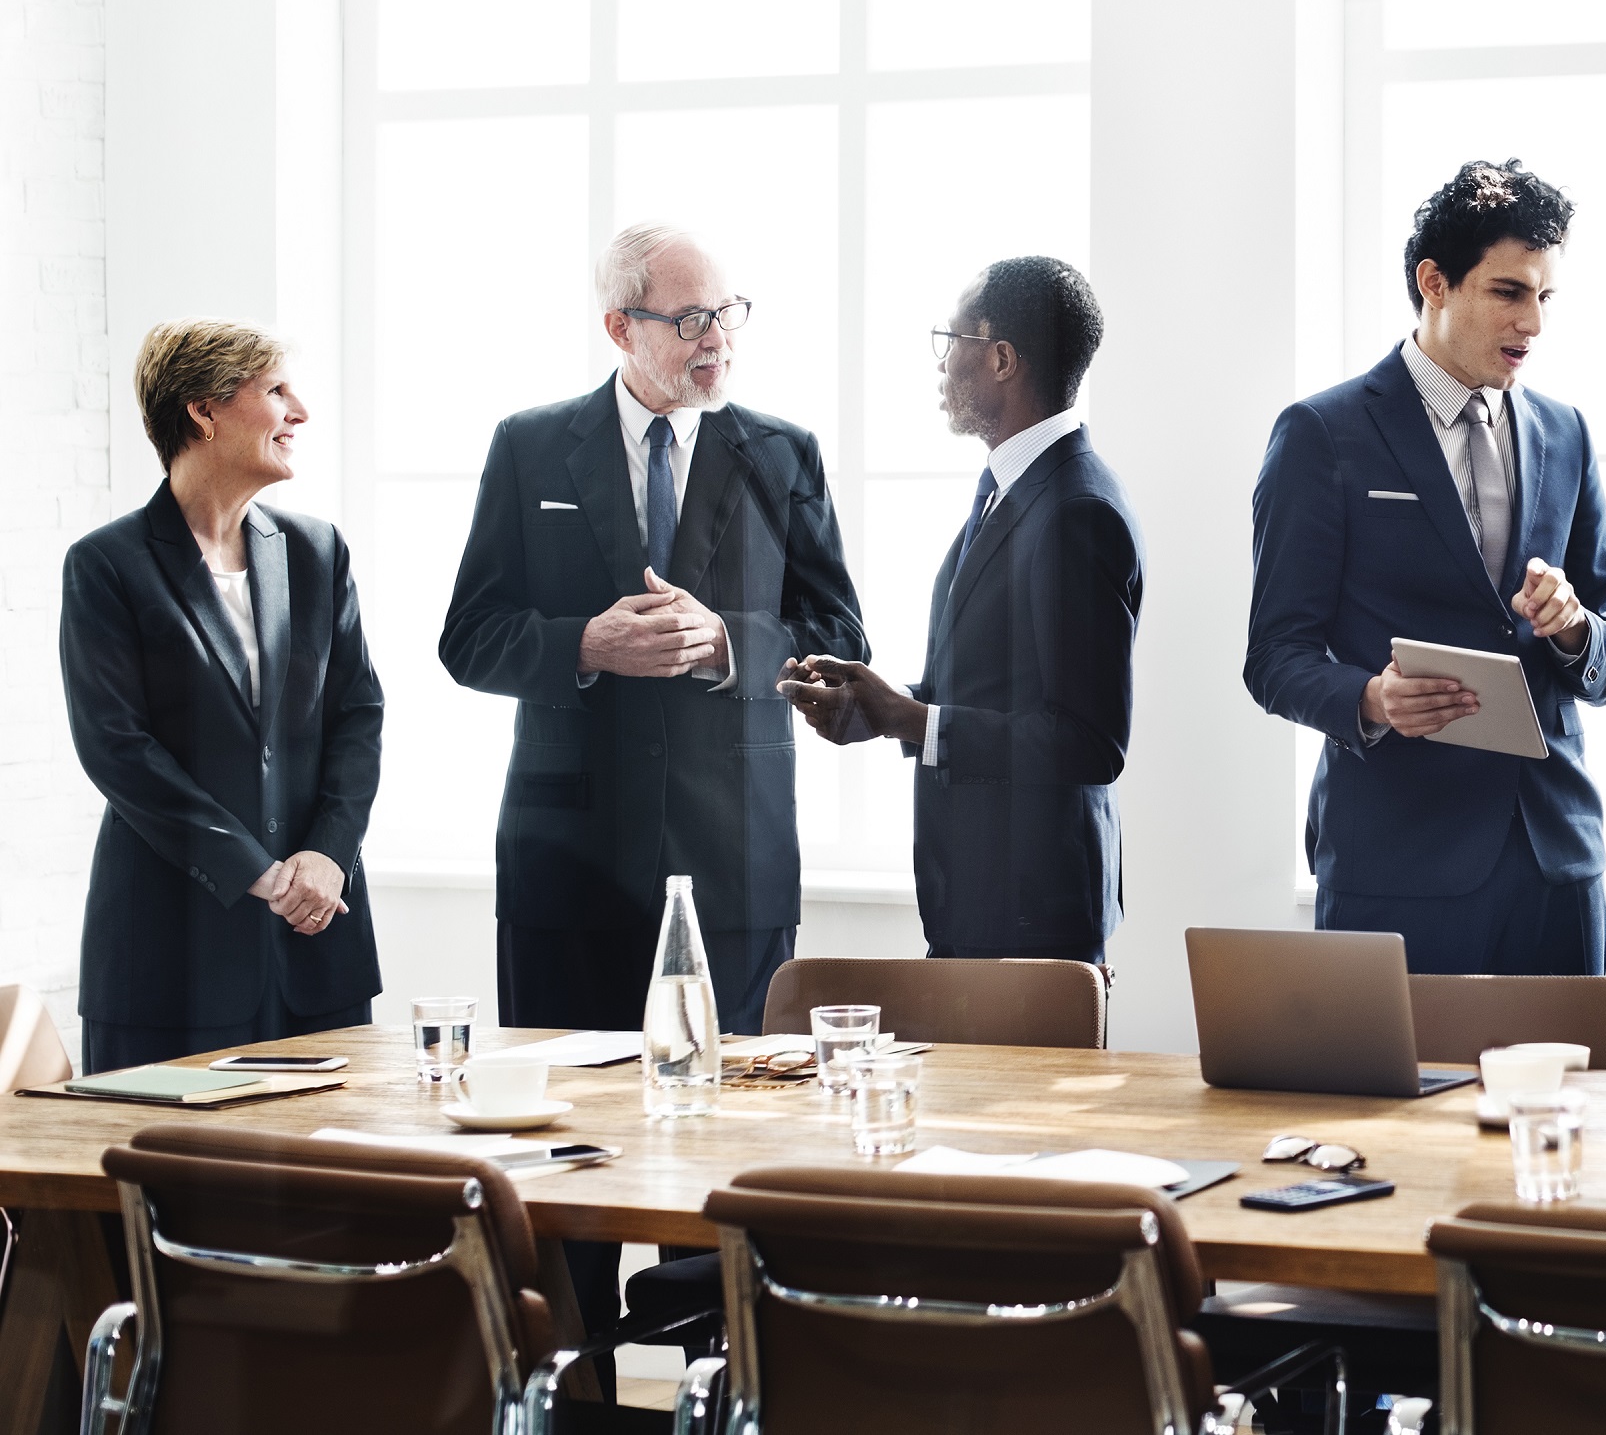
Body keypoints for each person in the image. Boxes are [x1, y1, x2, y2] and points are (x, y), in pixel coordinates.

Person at [439, 224, 867, 1379]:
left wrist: (727, 639)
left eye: (727, 313)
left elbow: (841, 641)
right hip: (564, 865)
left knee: (721, 1160)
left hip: (733, 865)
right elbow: (467, 637)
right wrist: (581, 643)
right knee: (562, 1165)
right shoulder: (531, 449)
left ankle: (711, 1388)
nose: (714, 339)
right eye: (687, 320)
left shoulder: (783, 452)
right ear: (620, 327)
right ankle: (561, 1387)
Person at [1244, 159, 1606, 976]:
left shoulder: (1568, 433)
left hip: (1554, 861)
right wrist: (1373, 700)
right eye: (1509, 292)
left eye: (1545, 296)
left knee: (1561, 1108)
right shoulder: (1323, 433)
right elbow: (1274, 657)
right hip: (1398, 864)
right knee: (1392, 1107)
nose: (1533, 321)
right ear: (1435, 282)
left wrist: (1572, 631)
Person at [778, 256, 1142, 964]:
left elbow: (1091, 742)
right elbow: (995, 690)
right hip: (983, 904)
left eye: (951, 343)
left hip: (1035, 921)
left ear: (1002, 358)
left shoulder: (1077, 510)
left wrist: (911, 719)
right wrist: (878, 709)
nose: (941, 367)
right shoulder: (1012, 489)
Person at [59, 319, 384, 1074]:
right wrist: (258, 871)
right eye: (275, 391)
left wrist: (329, 856)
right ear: (203, 412)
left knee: (326, 1180)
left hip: (317, 944)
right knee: (169, 1185)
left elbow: (357, 716)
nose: (298, 412)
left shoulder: (318, 551)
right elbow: (117, 749)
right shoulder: (106, 566)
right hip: (168, 957)